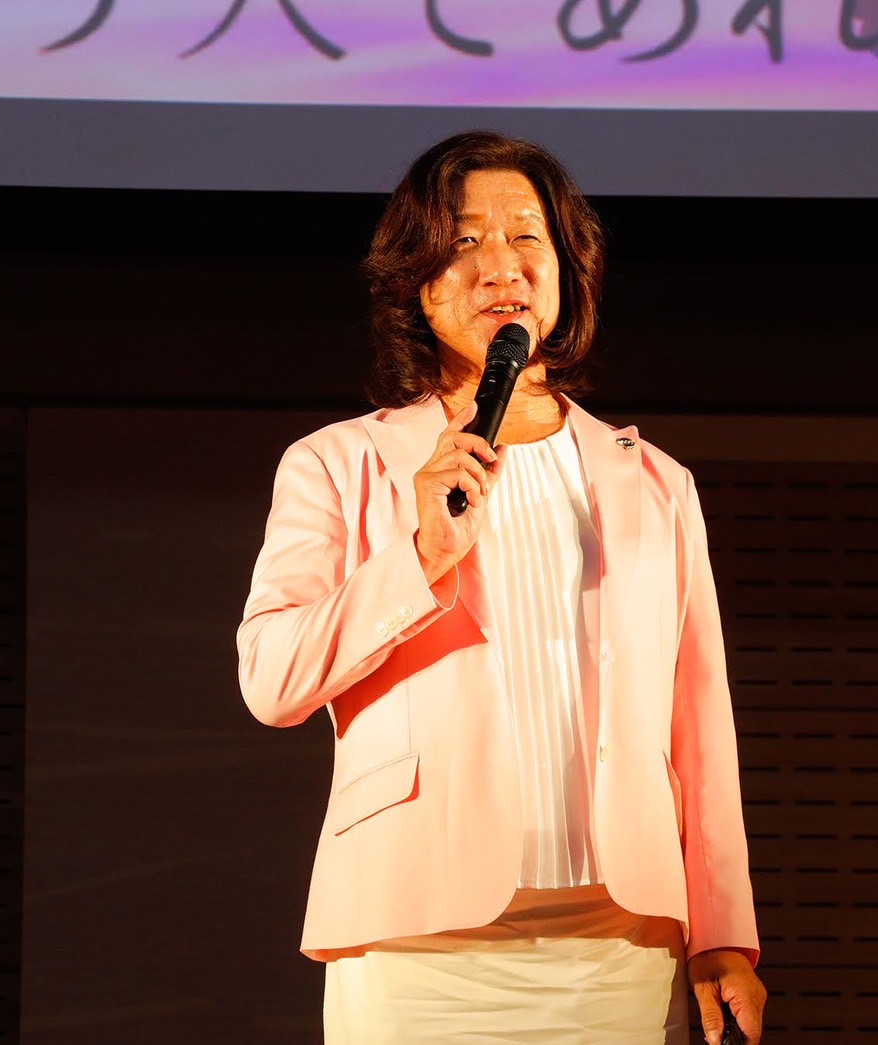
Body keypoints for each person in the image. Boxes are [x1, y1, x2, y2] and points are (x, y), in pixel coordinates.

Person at [237, 130, 766, 1044]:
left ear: (566, 271)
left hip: (616, 939)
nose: (501, 265)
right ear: (417, 282)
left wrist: (723, 934)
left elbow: (699, 721)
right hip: (414, 935)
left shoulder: (655, 481)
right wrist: (418, 554)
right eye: (464, 241)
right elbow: (271, 679)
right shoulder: (338, 462)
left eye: (527, 236)